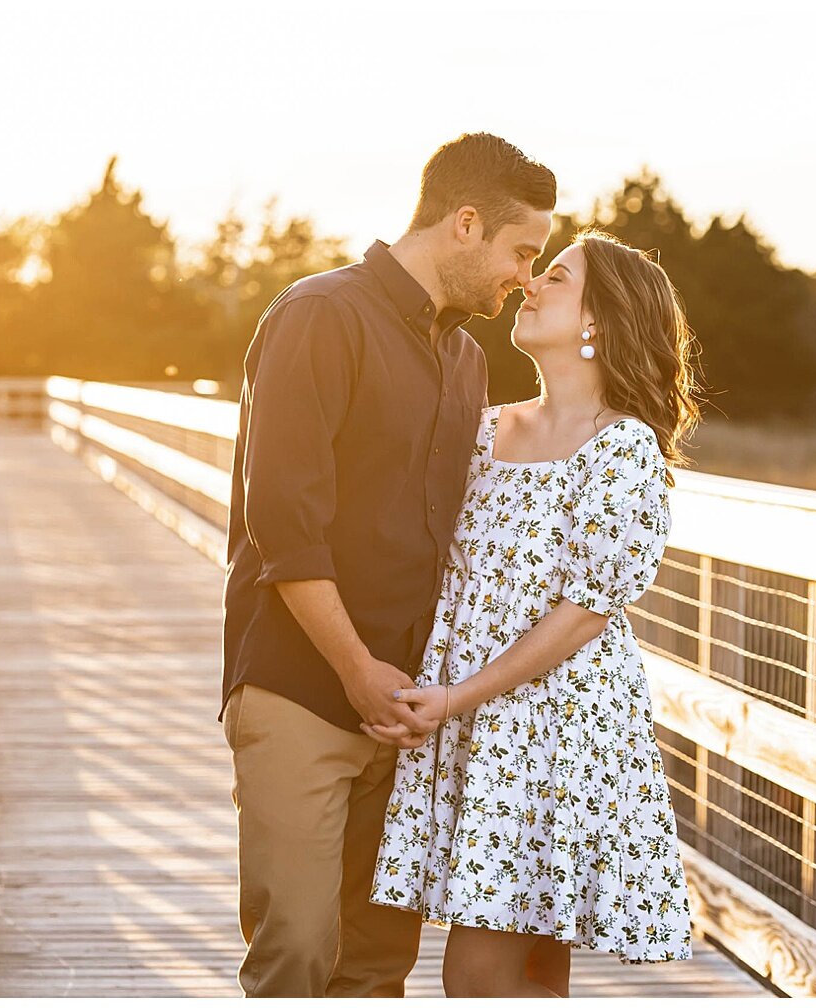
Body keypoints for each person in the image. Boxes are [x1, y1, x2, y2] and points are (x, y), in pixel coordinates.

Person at [219, 133, 557, 997]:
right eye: (523, 253)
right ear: (465, 223)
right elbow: (285, 525)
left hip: (409, 712)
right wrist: (356, 670)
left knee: (376, 967)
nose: (526, 277)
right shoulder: (320, 314)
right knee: (296, 947)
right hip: (303, 687)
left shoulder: (467, 359)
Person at [364, 229, 705, 997]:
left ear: (600, 321)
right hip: (469, 718)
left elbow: (587, 610)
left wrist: (459, 697)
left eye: (556, 276)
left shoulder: (622, 449)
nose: (530, 285)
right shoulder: (486, 427)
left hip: (555, 721)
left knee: (487, 955)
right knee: (527, 950)